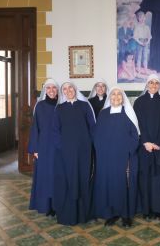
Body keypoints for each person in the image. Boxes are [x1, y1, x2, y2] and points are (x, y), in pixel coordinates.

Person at [93, 86, 140, 228]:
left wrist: (127, 151)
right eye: (113, 94)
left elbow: (135, 136)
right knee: (108, 185)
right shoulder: (103, 114)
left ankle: (126, 216)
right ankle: (111, 214)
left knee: (124, 186)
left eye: (119, 94)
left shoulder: (128, 113)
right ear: (109, 98)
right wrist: (101, 152)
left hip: (124, 158)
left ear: (123, 97)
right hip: (106, 158)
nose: (116, 97)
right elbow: (97, 136)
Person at [52, 82, 96, 225]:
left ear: (75, 89)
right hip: (66, 153)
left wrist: (89, 144)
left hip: (84, 151)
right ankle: (68, 215)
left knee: (83, 178)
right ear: (62, 92)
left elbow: (92, 127)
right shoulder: (59, 108)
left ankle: (84, 215)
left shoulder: (84, 106)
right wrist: (61, 146)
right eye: (65, 89)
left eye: (70, 88)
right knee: (68, 180)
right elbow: (55, 130)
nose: (68, 90)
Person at [133, 74, 160, 220]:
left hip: (158, 148)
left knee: (158, 179)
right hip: (143, 147)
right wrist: (146, 142)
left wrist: (157, 144)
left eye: (156, 83)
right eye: (151, 82)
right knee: (144, 178)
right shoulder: (138, 102)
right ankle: (145, 209)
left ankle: (157, 209)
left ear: (159, 85)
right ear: (147, 84)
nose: (154, 85)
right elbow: (138, 124)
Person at [28, 78, 59, 216]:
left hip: (58, 147)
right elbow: (35, 128)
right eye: (48, 88)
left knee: (57, 176)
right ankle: (45, 205)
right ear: (45, 90)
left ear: (57, 90)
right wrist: (35, 149)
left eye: (54, 88)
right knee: (45, 177)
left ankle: (56, 205)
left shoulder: (61, 105)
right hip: (43, 147)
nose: (51, 90)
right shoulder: (39, 106)